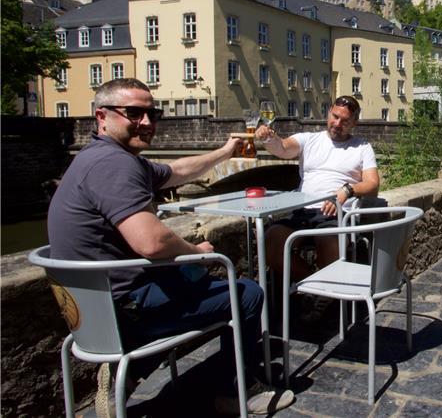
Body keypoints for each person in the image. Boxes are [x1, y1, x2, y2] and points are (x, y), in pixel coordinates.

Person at [47, 78, 293, 415]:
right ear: (101, 117)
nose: (147, 122)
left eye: (152, 113)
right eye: (133, 113)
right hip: (126, 308)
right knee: (247, 293)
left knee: (193, 279)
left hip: (95, 311)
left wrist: (224, 152)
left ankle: (133, 370)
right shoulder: (114, 165)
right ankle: (235, 392)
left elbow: (176, 171)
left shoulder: (102, 156)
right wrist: (198, 252)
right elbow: (152, 241)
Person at [254, 95, 380, 284]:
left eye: (345, 121)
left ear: (354, 123)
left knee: (329, 240)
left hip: (336, 213)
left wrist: (347, 190)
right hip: (303, 211)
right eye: (335, 116)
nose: (337, 123)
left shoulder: (361, 147)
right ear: (329, 112)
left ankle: (327, 297)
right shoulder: (309, 139)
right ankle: (313, 285)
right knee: (270, 239)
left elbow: (372, 184)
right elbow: (283, 148)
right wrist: (268, 138)